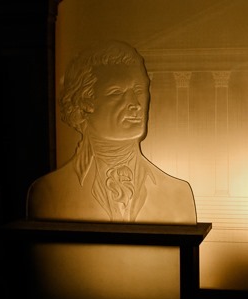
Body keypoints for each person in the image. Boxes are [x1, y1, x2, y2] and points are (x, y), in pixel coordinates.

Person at [26, 40, 197, 225]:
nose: (136, 104)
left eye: (139, 90)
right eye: (117, 92)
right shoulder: (49, 192)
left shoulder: (178, 194)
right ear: (85, 102)